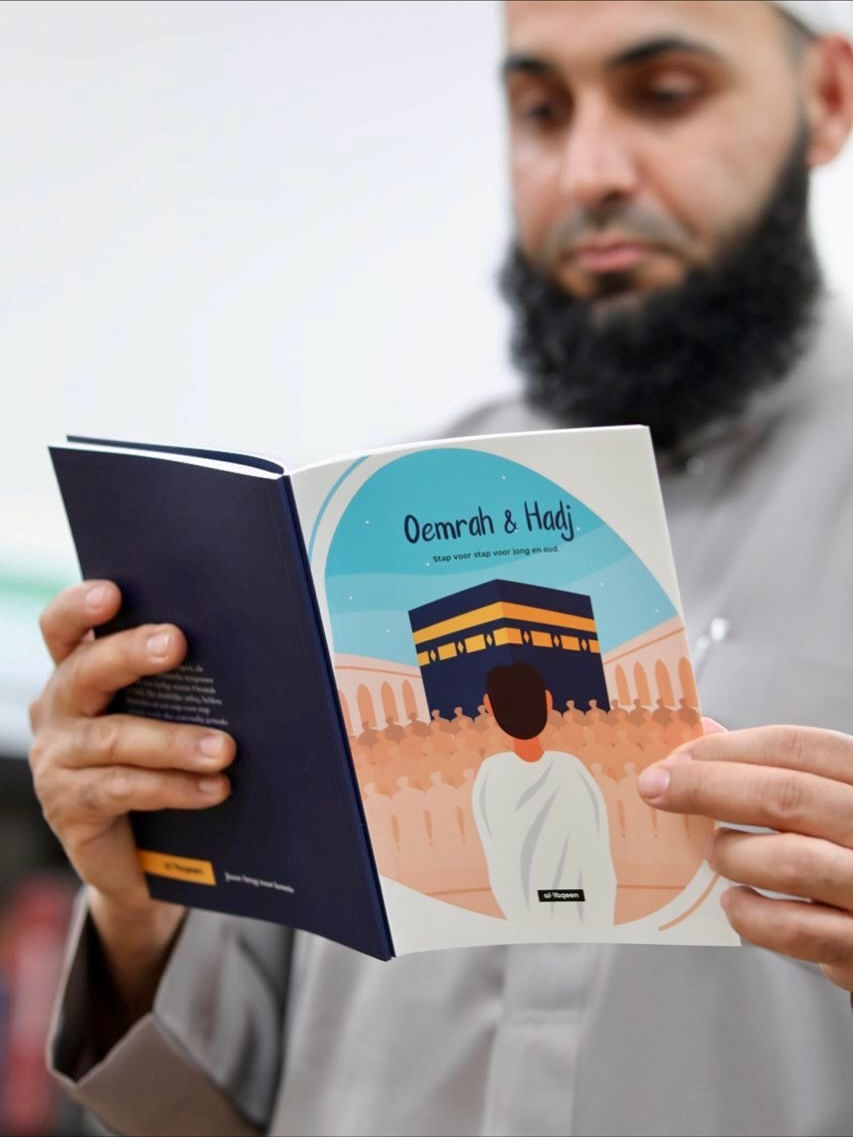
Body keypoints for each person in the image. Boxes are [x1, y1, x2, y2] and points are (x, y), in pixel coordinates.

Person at [27, 2, 853, 1134]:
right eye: (540, 110)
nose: (589, 170)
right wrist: (138, 908)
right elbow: (200, 1109)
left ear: (827, 99)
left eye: (663, 95)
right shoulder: (363, 531)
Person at [472, 662, 616, 925]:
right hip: (585, 909)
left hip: (523, 908)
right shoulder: (571, 767)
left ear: (488, 707)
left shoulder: (491, 773)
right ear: (548, 701)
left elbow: (496, 850)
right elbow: (596, 842)